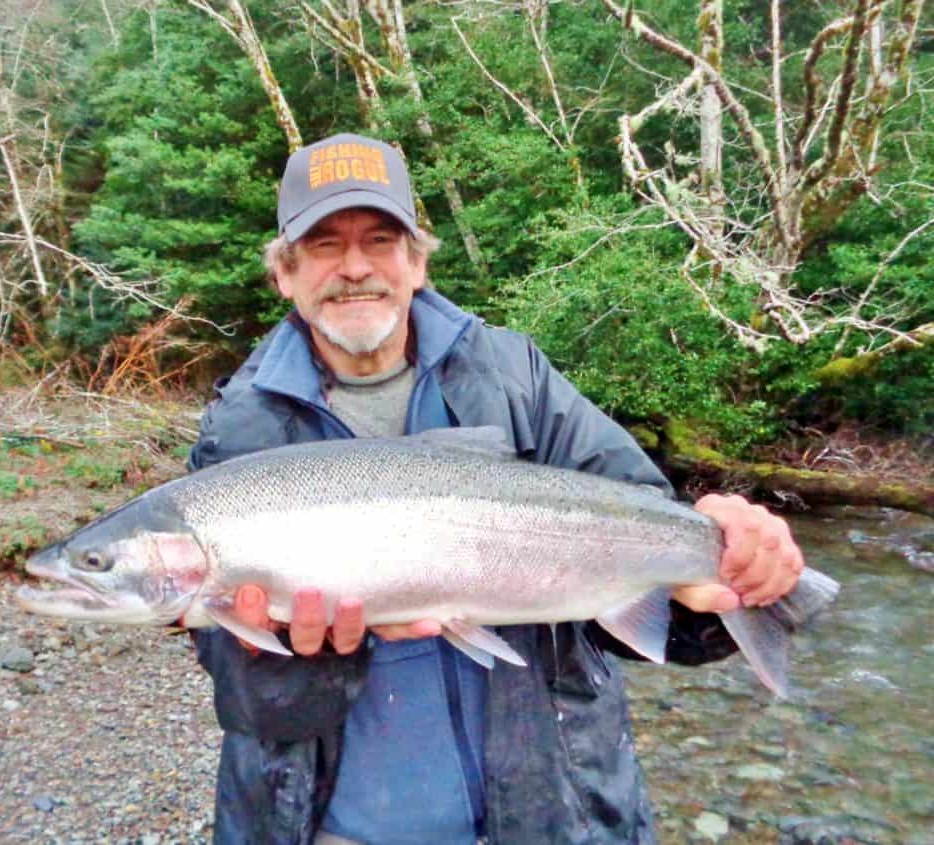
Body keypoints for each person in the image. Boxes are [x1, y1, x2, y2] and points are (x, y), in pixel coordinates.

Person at [188, 132, 804, 845]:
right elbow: (240, 694)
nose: (355, 266)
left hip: (547, 817)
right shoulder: (239, 429)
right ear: (284, 275)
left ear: (416, 263)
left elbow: (646, 530)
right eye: (324, 244)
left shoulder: (516, 376)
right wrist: (297, 654)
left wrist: (721, 571)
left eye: (381, 240)